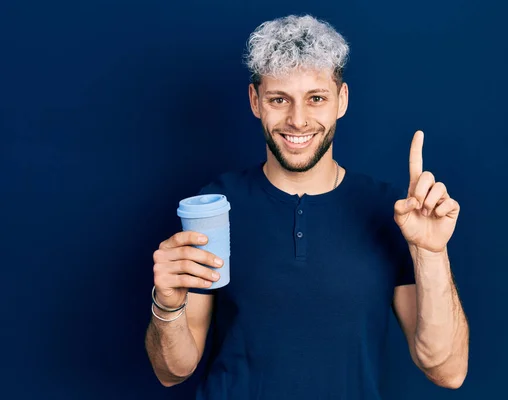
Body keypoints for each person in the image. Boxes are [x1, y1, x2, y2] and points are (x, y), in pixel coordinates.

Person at [145, 14, 469, 399]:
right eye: (279, 99)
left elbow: (447, 370)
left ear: (341, 100)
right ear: (255, 102)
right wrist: (166, 304)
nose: (298, 120)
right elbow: (173, 371)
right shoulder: (217, 206)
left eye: (316, 98)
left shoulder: (392, 211)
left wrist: (432, 252)